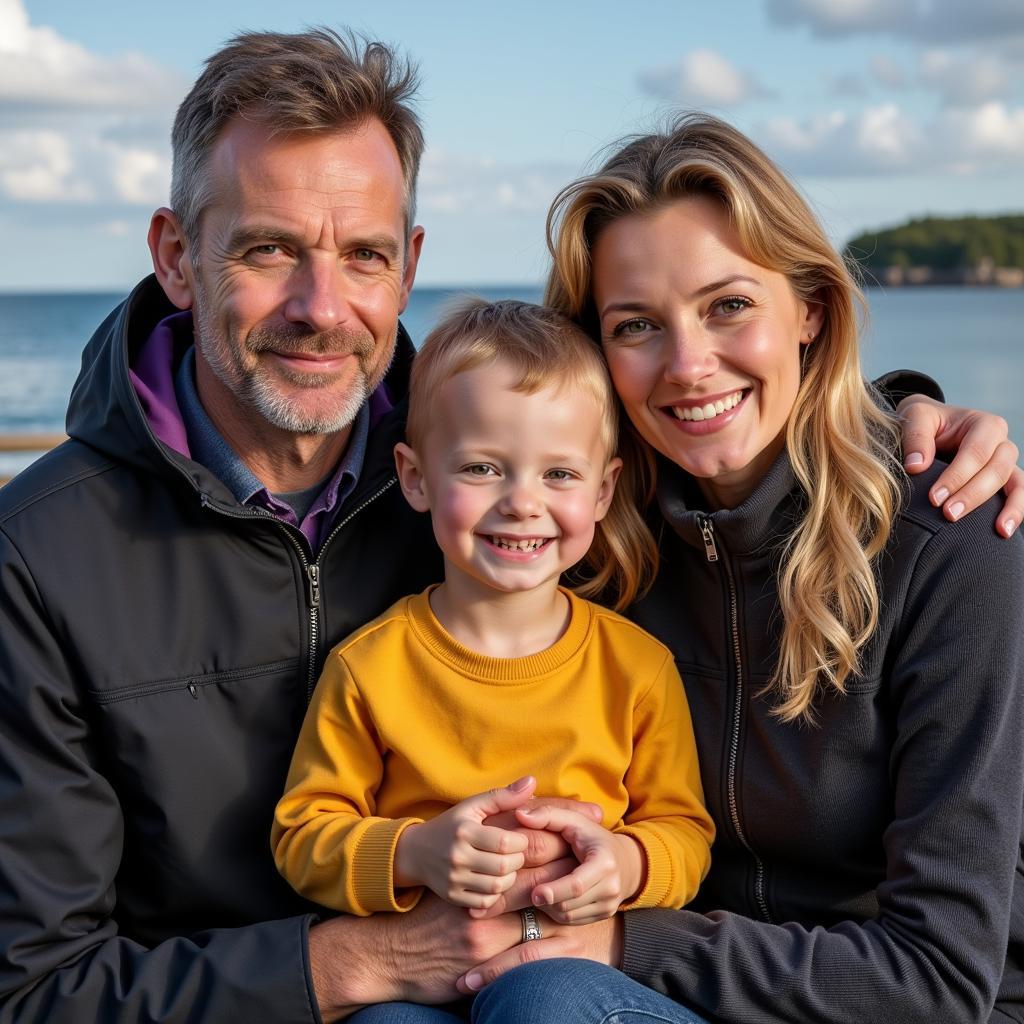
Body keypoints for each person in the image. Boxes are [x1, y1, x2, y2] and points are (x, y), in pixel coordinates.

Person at [0, 27, 1017, 1021]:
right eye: (269, 249)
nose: (320, 304)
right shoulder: (51, 557)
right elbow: (36, 983)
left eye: (362, 253)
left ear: (408, 266)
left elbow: (933, 967)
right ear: (176, 258)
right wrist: (362, 958)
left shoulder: (610, 517)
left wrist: (897, 419)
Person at [455, 114, 1024, 1024]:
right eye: (636, 324)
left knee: (549, 1000)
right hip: (671, 993)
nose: (688, 366)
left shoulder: (950, 538)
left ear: (810, 308)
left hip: (897, 1008)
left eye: (728, 306)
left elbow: (944, 979)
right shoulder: (586, 542)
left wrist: (625, 945)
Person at [271, 299, 715, 1021]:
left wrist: (625, 865)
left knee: (539, 1002)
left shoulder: (636, 665)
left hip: (574, 981)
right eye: (483, 467)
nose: (522, 503)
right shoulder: (369, 667)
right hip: (422, 980)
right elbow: (302, 836)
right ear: (415, 478)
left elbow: (684, 834)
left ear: (603, 490)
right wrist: (414, 853)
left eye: (559, 475)